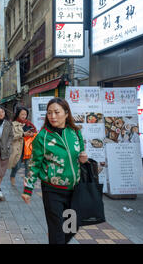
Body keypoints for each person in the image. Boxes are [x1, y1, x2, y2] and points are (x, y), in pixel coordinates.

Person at [21, 98, 89, 244]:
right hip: (53, 192)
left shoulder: (75, 133)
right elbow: (34, 164)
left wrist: (83, 158)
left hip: (75, 191)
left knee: (71, 228)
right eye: (49, 113)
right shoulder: (42, 137)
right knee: (57, 231)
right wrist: (28, 189)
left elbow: (81, 153)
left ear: (66, 113)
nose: (53, 116)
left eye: (57, 112)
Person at [9, 106, 37, 186]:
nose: (24, 116)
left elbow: (35, 133)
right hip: (18, 148)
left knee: (28, 166)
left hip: (28, 148)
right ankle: (12, 175)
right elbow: (11, 136)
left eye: (25, 114)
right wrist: (23, 134)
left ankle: (27, 181)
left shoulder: (29, 124)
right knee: (17, 165)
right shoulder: (13, 124)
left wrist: (32, 134)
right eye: (22, 114)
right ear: (18, 114)